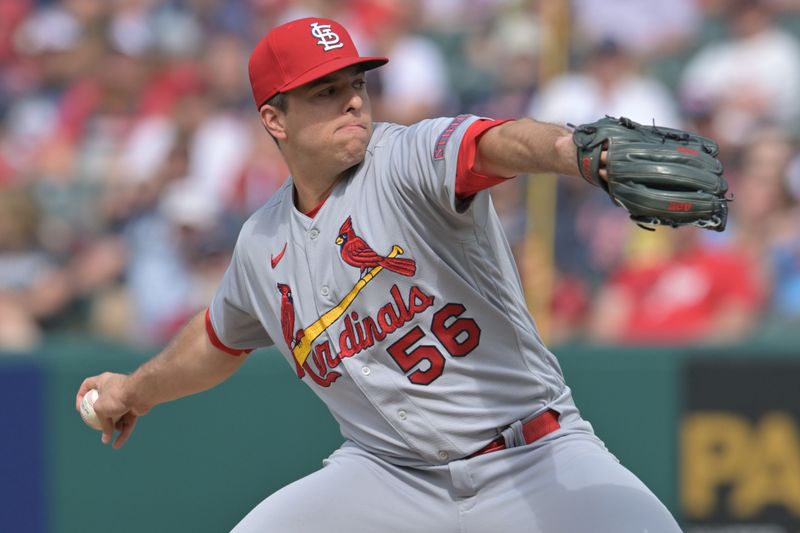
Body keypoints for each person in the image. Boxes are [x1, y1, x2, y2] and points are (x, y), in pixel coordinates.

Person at [76, 17, 682, 532]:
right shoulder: (260, 243)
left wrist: (574, 151)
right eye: (324, 90)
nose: (353, 100)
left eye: (357, 82)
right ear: (274, 119)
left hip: (533, 452)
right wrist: (133, 392)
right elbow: (216, 340)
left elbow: (493, 144)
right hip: (389, 477)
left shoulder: (403, 158)